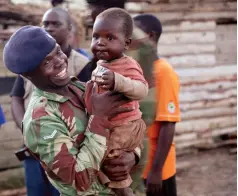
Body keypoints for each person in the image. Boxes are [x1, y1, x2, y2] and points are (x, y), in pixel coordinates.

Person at [10, 8, 89, 196]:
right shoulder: (29, 62)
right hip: (38, 144)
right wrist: (29, 132)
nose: (50, 28)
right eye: (46, 24)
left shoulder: (82, 64)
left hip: (71, 148)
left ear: (69, 29)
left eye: (56, 24)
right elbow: (16, 98)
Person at [84, 1, 158, 193]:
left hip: (125, 129)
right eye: (95, 37)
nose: (100, 42)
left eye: (109, 38)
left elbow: (143, 95)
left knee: (117, 173)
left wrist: (117, 81)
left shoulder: (132, 55)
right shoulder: (102, 57)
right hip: (110, 125)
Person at [134, 14, 181, 196]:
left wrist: (156, 171)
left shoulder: (163, 72)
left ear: (151, 36)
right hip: (138, 165)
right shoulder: (139, 70)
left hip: (156, 168)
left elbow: (168, 124)